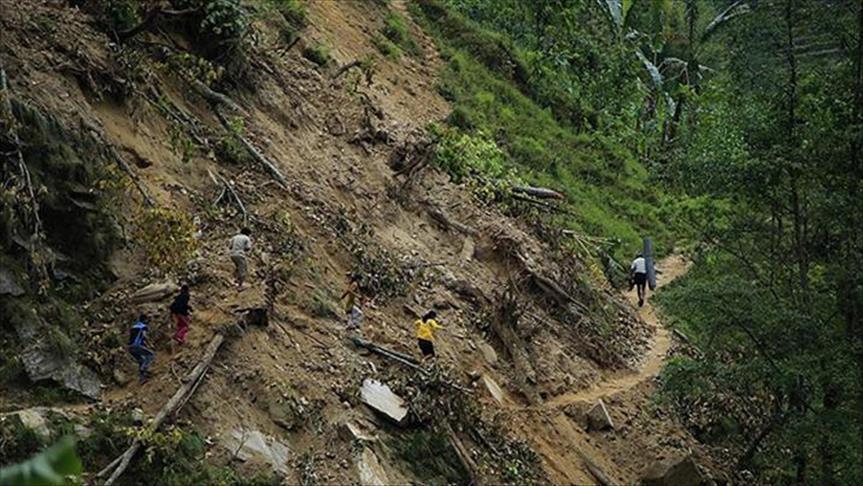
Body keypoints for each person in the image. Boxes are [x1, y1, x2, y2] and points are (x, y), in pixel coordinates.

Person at [128, 315, 155, 383]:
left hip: (130, 347)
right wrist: (150, 344)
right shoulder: (143, 327)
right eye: (147, 320)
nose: (148, 321)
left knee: (141, 360)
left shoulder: (134, 327)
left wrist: (145, 345)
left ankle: (142, 378)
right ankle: (144, 369)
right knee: (151, 354)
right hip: (136, 346)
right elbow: (144, 336)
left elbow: (138, 338)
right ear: (144, 320)